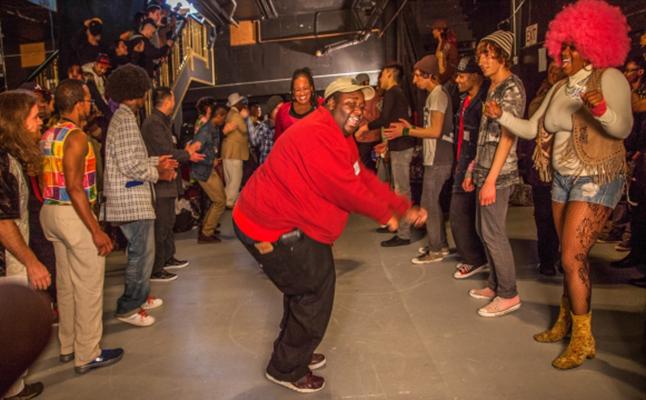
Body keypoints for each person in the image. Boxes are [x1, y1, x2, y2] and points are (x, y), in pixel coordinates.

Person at [233, 77, 426, 393]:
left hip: (290, 223)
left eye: (361, 106)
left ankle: (294, 350)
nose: (358, 112)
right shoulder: (317, 133)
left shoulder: (340, 135)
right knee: (313, 292)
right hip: (266, 226)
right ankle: (285, 368)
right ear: (330, 103)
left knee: (305, 287)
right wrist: (385, 214)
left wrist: (401, 206)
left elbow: (359, 176)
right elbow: (344, 189)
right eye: (350, 104)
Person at [484, 0, 633, 369]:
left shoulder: (609, 79)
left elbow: (622, 129)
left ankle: (584, 339)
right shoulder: (560, 87)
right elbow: (534, 129)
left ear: (594, 47)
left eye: (573, 47)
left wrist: (601, 110)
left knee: (571, 257)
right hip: (561, 178)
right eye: (562, 47)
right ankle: (567, 322)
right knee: (569, 260)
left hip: (596, 177)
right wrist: (502, 115)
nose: (564, 54)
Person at [40, 79, 124, 375]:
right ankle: (88, 353)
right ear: (78, 104)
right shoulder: (76, 137)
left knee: (66, 284)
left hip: (50, 210)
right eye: (88, 100)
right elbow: (75, 188)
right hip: (72, 214)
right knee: (88, 286)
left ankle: (68, 345)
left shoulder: (48, 133)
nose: (90, 105)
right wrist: (96, 230)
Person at [103, 64, 178, 327]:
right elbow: (130, 164)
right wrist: (158, 171)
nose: (147, 93)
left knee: (143, 252)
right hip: (130, 200)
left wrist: (158, 160)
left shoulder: (124, 117)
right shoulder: (124, 119)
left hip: (133, 198)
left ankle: (140, 295)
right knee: (140, 254)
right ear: (136, 90)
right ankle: (129, 306)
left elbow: (134, 158)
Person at [463, 30, 526, 318]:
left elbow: (507, 137)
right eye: (480, 55)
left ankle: (509, 294)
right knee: (482, 229)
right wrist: (474, 167)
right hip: (485, 168)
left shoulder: (511, 87)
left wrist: (490, 180)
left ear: (502, 56)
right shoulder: (493, 86)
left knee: (494, 234)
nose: (483, 60)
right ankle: (495, 283)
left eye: (488, 54)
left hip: (499, 174)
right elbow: (485, 135)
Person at [0, 89, 49, 400]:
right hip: (7, 262)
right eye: (35, 117)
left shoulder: (10, 158)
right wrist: (31, 261)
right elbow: (3, 222)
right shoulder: (2, 161)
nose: (40, 122)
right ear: (17, 123)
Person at [384, 55, 454, 264]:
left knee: (428, 205)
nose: (414, 81)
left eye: (417, 76)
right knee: (432, 204)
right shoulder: (433, 95)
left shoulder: (438, 95)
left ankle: (436, 250)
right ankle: (439, 244)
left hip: (439, 159)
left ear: (428, 76)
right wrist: (411, 128)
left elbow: (434, 131)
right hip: (434, 158)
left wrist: (407, 130)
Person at [142, 87, 204, 281]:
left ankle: (167, 258)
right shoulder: (153, 123)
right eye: (173, 99)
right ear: (168, 100)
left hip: (168, 179)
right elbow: (165, 152)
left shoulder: (161, 122)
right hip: (160, 180)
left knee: (168, 223)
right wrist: (187, 154)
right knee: (161, 225)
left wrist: (184, 152)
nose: (175, 103)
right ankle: (156, 268)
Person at [357, 63, 415, 244]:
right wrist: (387, 145)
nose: (379, 79)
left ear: (389, 75)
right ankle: (398, 226)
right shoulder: (396, 94)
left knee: (401, 190)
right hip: (397, 145)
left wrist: (365, 127)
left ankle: (404, 234)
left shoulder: (392, 92)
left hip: (402, 146)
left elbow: (385, 119)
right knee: (397, 188)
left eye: (381, 75)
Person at [521, 62, 565, 276]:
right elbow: (532, 120)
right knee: (544, 215)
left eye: (559, 71)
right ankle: (546, 259)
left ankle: (565, 258)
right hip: (542, 169)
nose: (555, 74)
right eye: (551, 71)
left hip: (566, 168)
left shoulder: (571, 95)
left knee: (564, 218)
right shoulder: (541, 96)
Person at [449, 56, 490, 279]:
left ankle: (475, 259)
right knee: (462, 213)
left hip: (474, 165)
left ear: (475, 76)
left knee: (461, 213)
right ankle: (475, 257)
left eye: (462, 76)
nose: (457, 80)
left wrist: (471, 169)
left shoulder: (484, 101)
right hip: (462, 161)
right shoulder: (464, 99)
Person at [191, 104, 228, 243]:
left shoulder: (213, 128)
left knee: (219, 200)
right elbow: (195, 151)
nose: (225, 121)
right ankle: (206, 233)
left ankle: (206, 229)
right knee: (220, 201)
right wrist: (211, 161)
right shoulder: (205, 131)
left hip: (207, 169)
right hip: (202, 171)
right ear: (219, 116)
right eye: (224, 117)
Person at [274, 68, 323, 141]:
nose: (302, 93)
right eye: (297, 90)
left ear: (311, 88)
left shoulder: (322, 106)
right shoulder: (283, 111)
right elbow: (278, 141)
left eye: (305, 88)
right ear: (293, 91)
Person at [222, 92, 250, 208]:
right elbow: (244, 130)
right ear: (237, 104)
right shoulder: (236, 115)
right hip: (235, 152)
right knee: (235, 178)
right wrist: (245, 117)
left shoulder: (229, 114)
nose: (243, 104)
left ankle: (226, 200)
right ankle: (229, 202)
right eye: (241, 102)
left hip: (228, 152)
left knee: (229, 180)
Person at [354, 73, 382, 172]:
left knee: (370, 168)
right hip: (364, 137)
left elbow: (377, 118)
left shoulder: (376, 96)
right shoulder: (359, 96)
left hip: (370, 137)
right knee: (367, 166)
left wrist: (362, 111)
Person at [248, 95, 282, 165]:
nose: (280, 110)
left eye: (282, 108)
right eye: (277, 108)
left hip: (281, 165)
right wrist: (248, 120)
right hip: (267, 166)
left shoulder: (286, 124)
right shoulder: (264, 126)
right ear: (271, 110)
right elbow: (254, 142)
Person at [431, 19, 459, 84]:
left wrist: (441, 79)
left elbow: (452, 65)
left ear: (440, 30)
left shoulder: (448, 46)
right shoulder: (440, 44)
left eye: (434, 29)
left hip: (448, 81)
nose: (433, 32)